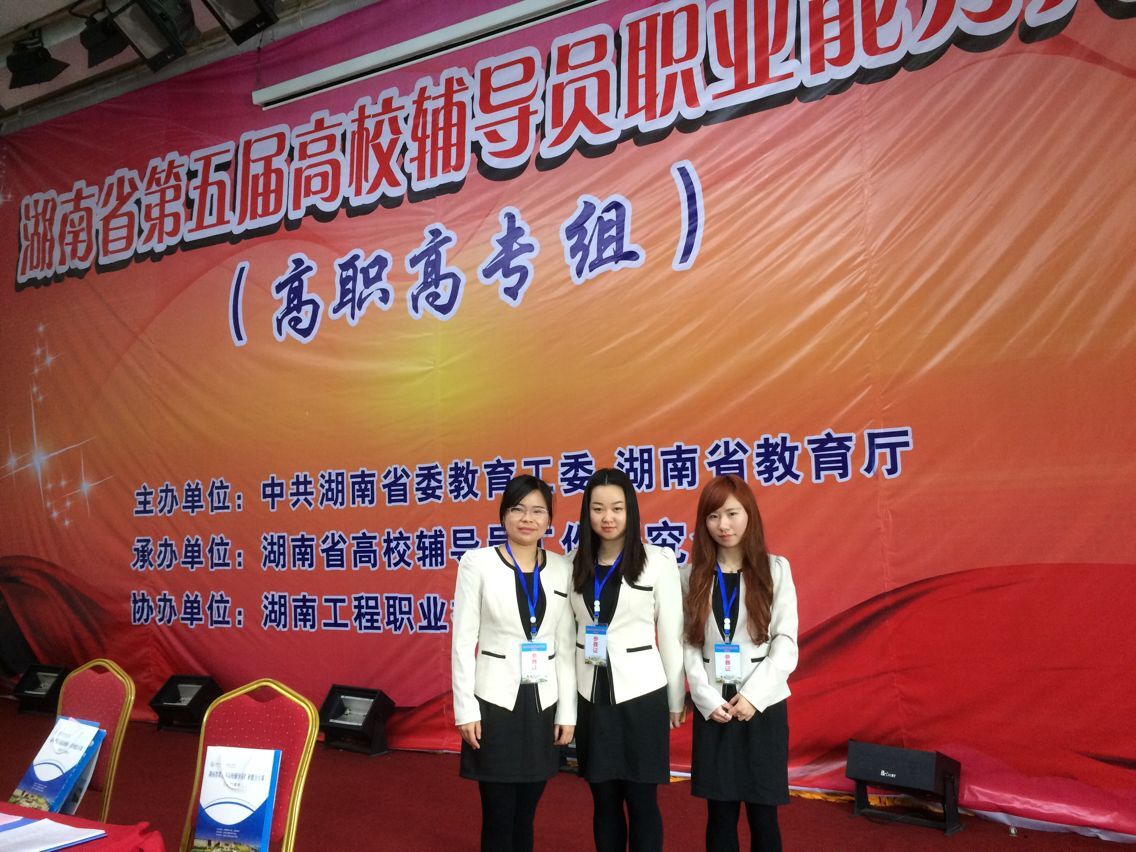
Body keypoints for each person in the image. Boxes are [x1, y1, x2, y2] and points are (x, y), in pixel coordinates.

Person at [451, 475, 577, 852]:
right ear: (503, 515)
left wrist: (567, 712)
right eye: (518, 509)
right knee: (499, 814)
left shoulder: (562, 567)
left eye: (538, 511)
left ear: (549, 519)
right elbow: (463, 642)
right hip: (495, 703)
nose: (527, 518)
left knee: (527, 814)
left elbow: (565, 647)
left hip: (542, 704)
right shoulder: (477, 563)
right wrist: (465, 709)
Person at [680, 474, 799, 852]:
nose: (724, 525)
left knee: (764, 815)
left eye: (732, 513)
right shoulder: (691, 576)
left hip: (762, 707)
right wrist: (704, 697)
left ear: (749, 515)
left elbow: (786, 642)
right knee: (720, 815)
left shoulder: (775, 569)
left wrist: (753, 696)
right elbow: (688, 643)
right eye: (714, 516)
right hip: (715, 707)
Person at [570, 467, 685, 852]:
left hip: (642, 696)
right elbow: (567, 640)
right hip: (591, 698)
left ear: (630, 511)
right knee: (603, 802)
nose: (608, 517)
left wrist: (675, 699)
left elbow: (671, 635)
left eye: (617, 508)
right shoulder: (572, 564)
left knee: (642, 802)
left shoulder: (658, 561)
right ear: (586, 512)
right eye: (598, 508)